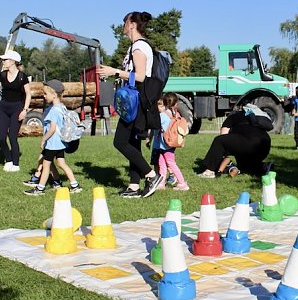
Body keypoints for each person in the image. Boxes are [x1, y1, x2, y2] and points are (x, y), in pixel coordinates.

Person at [96, 11, 164, 198]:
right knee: (133, 142)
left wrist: (114, 72)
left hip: (137, 100)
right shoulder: (135, 46)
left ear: (132, 24)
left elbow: (141, 76)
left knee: (120, 141)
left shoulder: (139, 47)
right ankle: (134, 185)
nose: (123, 26)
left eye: (125, 22)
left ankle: (151, 175)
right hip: (135, 99)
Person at [24, 80, 82, 196]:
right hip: (60, 142)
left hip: (53, 143)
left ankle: (40, 189)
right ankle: (74, 185)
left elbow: (52, 128)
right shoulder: (61, 107)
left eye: (46, 94)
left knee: (46, 165)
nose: (44, 96)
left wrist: (44, 139)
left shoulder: (54, 110)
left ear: (54, 95)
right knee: (61, 164)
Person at [198, 106, 272, 177]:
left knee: (219, 140)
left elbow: (223, 135)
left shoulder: (233, 117)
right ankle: (263, 167)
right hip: (265, 145)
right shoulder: (254, 118)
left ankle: (209, 172)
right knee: (243, 166)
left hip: (249, 143)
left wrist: (222, 155)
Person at [153, 93, 189, 191]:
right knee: (164, 164)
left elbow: (156, 127)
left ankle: (182, 183)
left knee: (169, 164)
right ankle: (161, 183)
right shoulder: (175, 114)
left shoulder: (162, 116)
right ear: (176, 103)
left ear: (163, 103)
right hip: (171, 144)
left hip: (163, 144)